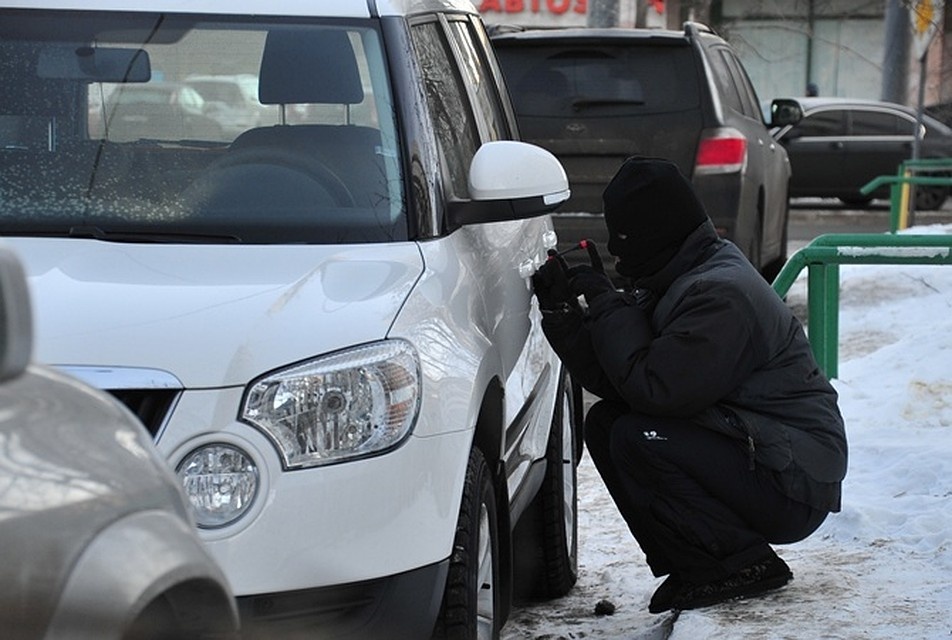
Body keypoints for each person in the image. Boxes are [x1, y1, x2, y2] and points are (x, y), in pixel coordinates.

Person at [531, 156, 848, 613]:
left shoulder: (720, 295)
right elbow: (620, 380)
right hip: (762, 451)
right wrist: (564, 316)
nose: (617, 254)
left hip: (795, 481)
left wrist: (607, 304)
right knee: (607, 423)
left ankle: (740, 565)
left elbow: (656, 390)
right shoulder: (681, 273)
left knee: (640, 436)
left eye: (624, 240)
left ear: (652, 234)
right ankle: (696, 561)